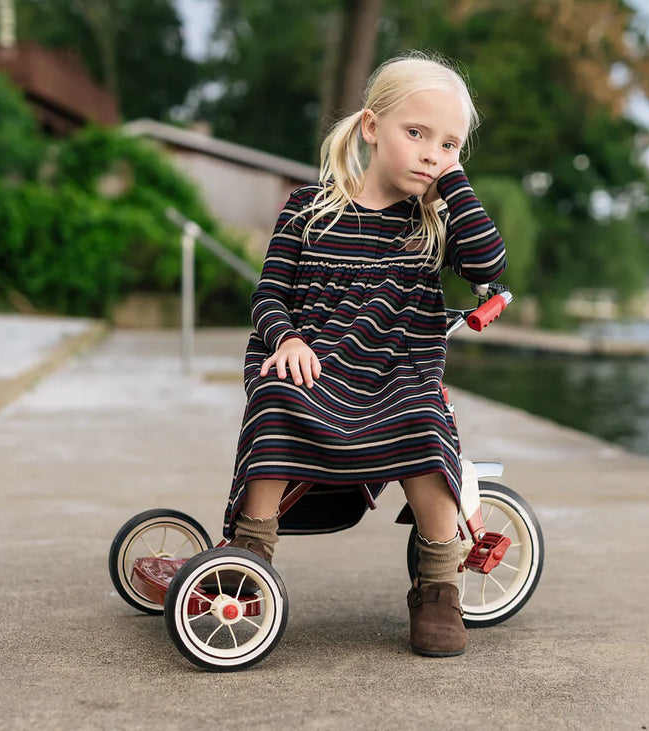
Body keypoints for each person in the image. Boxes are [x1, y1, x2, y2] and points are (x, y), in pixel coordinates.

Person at [223, 51, 506, 658]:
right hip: (317, 368)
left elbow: (489, 266)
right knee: (275, 395)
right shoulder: (307, 210)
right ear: (372, 127)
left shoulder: (432, 223)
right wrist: (287, 339)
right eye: (417, 134)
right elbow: (268, 296)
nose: (433, 153)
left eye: (450, 144)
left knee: (426, 424)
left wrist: (452, 184)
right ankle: (251, 555)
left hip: (396, 375)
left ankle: (437, 587)